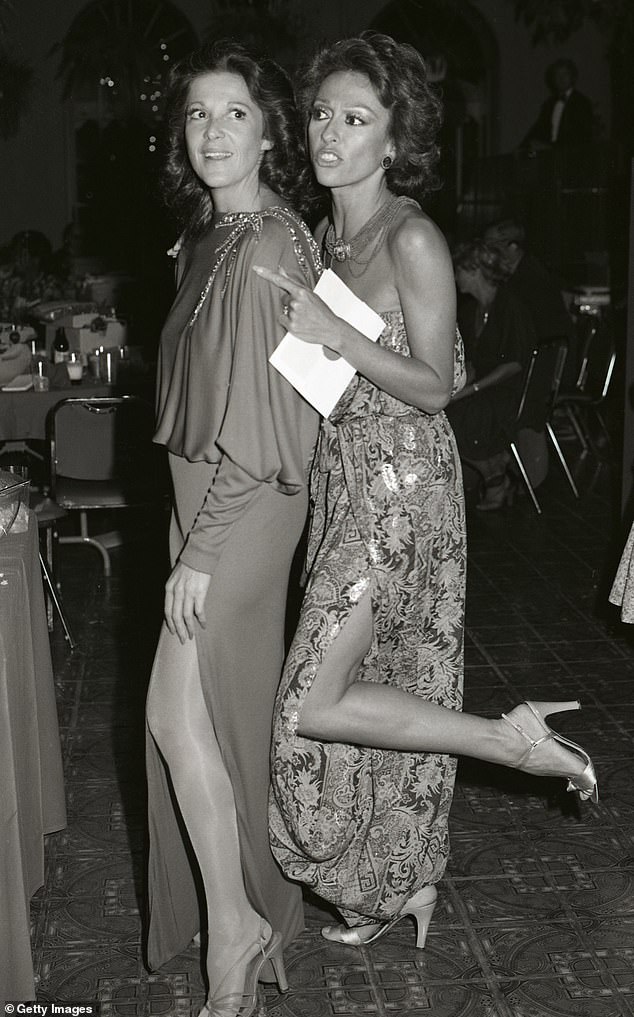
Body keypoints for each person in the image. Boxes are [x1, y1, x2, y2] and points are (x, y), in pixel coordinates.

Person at [256, 32, 597, 951]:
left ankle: (509, 741)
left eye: (355, 119)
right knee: (379, 688)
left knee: (311, 701)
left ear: (394, 139)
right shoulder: (328, 233)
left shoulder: (412, 234)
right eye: (322, 113)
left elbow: (437, 384)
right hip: (345, 477)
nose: (331, 132)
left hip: (402, 490)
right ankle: (395, 885)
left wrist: (335, 331)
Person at [144, 40, 321, 1017]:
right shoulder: (212, 234)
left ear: (269, 130)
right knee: (191, 715)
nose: (213, 132)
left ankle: (239, 931)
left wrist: (202, 552)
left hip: (243, 504)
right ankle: (240, 922)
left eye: (235, 113)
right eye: (198, 115)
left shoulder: (268, 245)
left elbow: (277, 416)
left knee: (182, 714)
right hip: (202, 499)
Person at [447, 238, 536, 509]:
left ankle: (495, 477)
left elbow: (514, 363)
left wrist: (472, 389)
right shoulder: (472, 310)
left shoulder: (510, 307)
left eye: (458, 270)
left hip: (508, 389)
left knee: (457, 417)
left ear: (474, 271)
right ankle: (496, 469)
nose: (454, 277)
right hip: (485, 387)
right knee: (442, 411)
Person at [483, 218, 573, 347]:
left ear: (513, 246)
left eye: (492, 244)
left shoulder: (532, 276)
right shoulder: (516, 271)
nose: (487, 252)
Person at [520, 58, 594, 155]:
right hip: (550, 158)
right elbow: (537, 129)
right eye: (557, 74)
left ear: (573, 77)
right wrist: (522, 147)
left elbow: (581, 136)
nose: (561, 78)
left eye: (565, 74)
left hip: (571, 158)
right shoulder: (549, 104)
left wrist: (551, 148)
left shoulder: (582, 102)